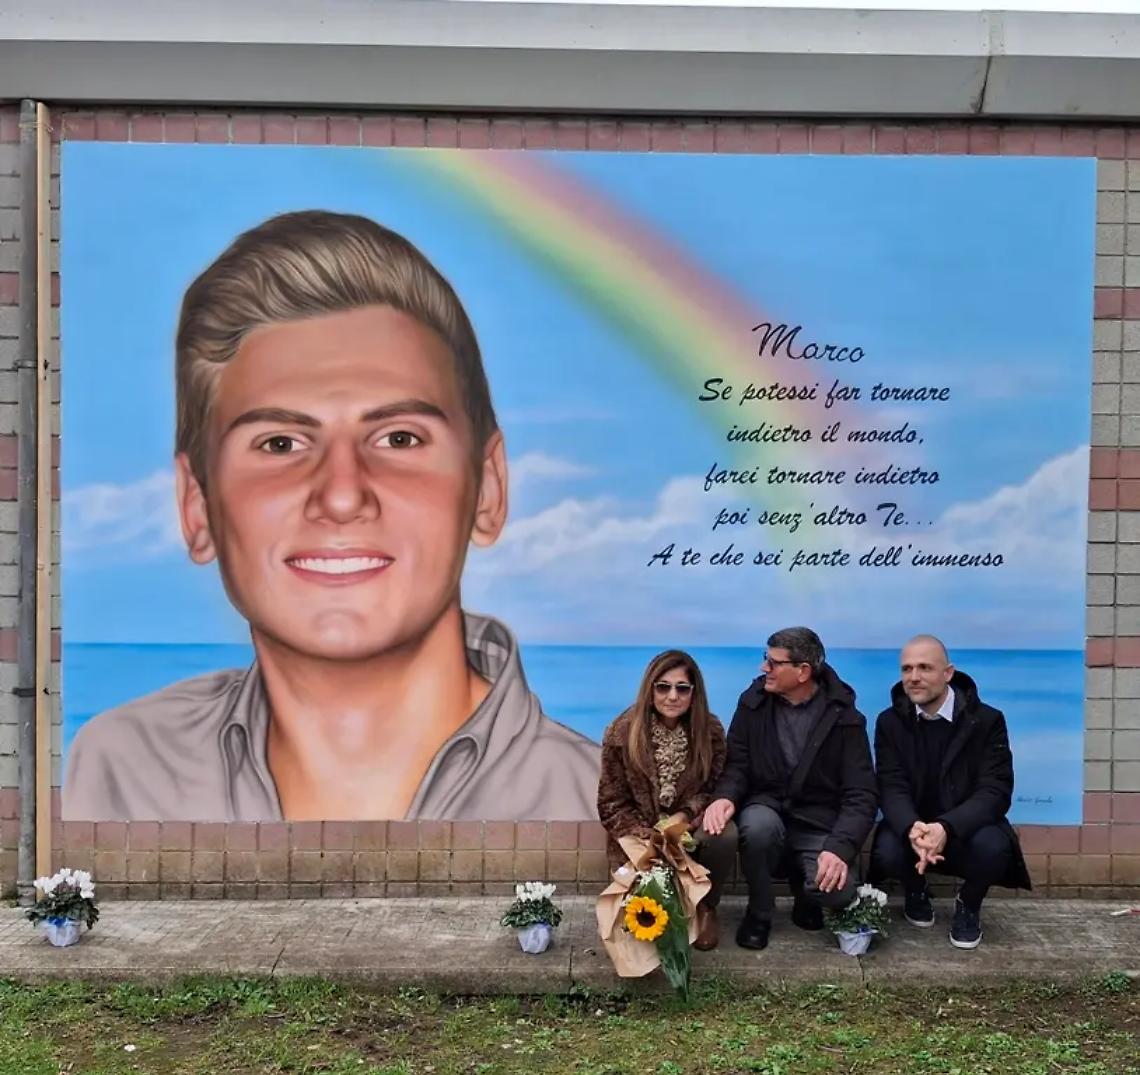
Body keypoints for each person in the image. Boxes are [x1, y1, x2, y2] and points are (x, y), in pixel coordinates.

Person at [63, 209, 600, 822]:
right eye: (279, 444)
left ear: (488, 489)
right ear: (196, 505)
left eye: (399, 438)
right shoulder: (123, 772)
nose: (342, 496)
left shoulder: (605, 810)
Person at [703, 627, 877, 950]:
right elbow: (737, 765)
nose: (764, 668)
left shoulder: (845, 717)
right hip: (767, 810)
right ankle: (759, 912)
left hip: (819, 823)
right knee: (757, 827)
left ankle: (805, 893)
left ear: (803, 672)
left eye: (774, 662)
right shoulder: (752, 704)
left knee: (836, 891)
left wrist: (839, 849)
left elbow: (862, 794)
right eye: (765, 658)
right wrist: (725, 797)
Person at [871, 635, 1031, 949]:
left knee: (995, 848)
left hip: (964, 827)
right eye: (906, 669)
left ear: (948, 673)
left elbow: (995, 790)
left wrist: (946, 827)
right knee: (885, 852)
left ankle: (969, 903)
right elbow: (890, 785)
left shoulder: (986, 721)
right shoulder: (889, 722)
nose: (913, 677)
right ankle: (915, 889)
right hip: (915, 828)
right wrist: (913, 828)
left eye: (924, 667)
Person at [597, 650, 733, 950]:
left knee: (724, 835)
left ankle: (706, 907)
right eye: (663, 687)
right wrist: (650, 838)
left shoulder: (710, 732)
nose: (672, 696)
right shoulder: (621, 732)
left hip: (689, 828)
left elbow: (715, 788)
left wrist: (684, 817)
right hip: (640, 835)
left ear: (694, 693)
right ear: (650, 689)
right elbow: (611, 802)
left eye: (682, 688)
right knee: (643, 928)